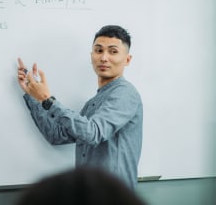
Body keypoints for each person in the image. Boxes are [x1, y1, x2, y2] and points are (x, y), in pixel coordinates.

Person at [17, 25, 143, 189]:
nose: (104, 58)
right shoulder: (93, 102)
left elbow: (93, 133)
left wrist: (47, 99)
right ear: (91, 56)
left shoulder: (125, 93)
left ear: (127, 59)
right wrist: (35, 98)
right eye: (98, 51)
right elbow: (56, 135)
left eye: (113, 51)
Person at [15, 167, 146, 205]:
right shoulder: (91, 106)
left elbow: (92, 133)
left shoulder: (125, 100)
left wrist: (46, 99)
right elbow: (59, 135)